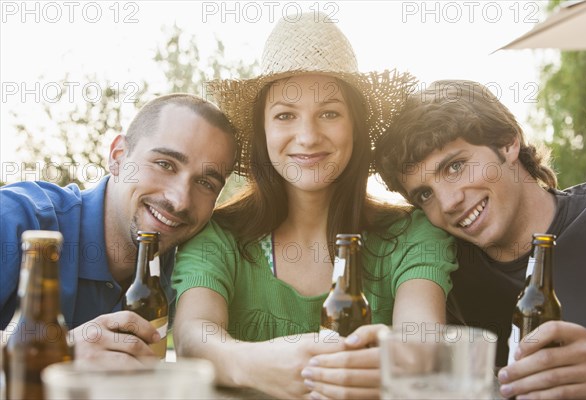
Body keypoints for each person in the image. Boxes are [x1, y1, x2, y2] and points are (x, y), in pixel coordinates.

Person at [172, 13, 458, 400]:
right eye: (285, 115)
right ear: (263, 132)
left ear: (355, 127)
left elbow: (422, 341)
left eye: (329, 113)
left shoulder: (412, 235)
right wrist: (251, 363)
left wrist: (396, 360)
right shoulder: (217, 237)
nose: (307, 136)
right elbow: (193, 338)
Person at [375, 79, 586, 399]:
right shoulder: (440, 275)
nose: (449, 202)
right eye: (425, 194)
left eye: (455, 166)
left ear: (508, 142)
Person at [0, 93, 237, 361]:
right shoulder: (20, 218)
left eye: (206, 184)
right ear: (118, 157)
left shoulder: (186, 269)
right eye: (164, 164)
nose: (179, 200)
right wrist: (59, 350)